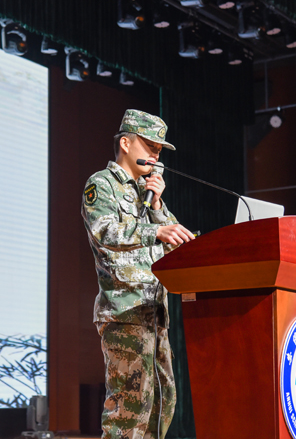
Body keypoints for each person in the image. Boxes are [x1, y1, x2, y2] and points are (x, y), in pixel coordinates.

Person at [81, 109, 195, 439]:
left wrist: (158, 207)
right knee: (129, 411)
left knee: (162, 404)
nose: (156, 155)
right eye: (150, 146)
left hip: (154, 313)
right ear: (126, 143)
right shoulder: (101, 184)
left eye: (159, 150)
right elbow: (105, 232)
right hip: (124, 311)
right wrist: (153, 231)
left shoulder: (147, 194)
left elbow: (177, 244)